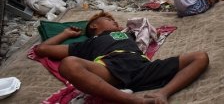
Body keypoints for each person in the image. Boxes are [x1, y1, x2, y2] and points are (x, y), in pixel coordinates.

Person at [34, 11, 209, 103]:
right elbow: (42, 49)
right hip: (110, 68)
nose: (115, 22)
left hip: (142, 66)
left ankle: (162, 94)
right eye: (109, 20)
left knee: (200, 57)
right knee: (69, 64)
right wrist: (65, 34)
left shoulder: (128, 34)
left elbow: (145, 30)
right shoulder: (88, 43)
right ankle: (131, 100)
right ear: (94, 25)